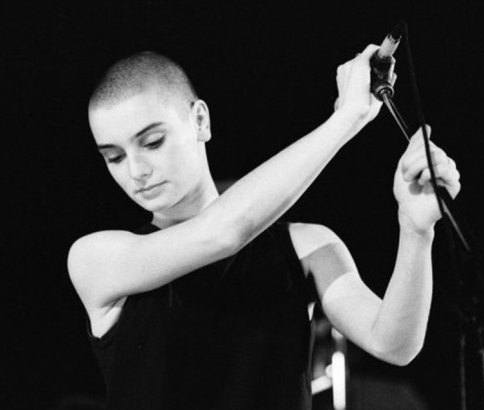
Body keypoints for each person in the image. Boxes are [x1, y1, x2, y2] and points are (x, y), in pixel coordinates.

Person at [68, 44, 460, 410]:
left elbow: (394, 344)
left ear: (200, 120)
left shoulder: (307, 245)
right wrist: (346, 119)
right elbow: (222, 233)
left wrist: (415, 230)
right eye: (114, 157)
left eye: (152, 142)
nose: (136, 171)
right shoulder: (96, 259)